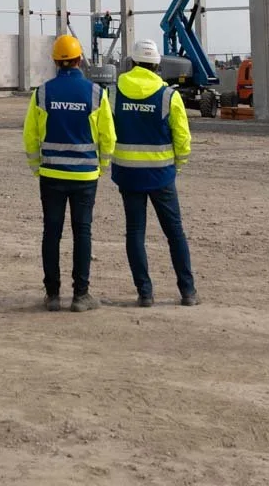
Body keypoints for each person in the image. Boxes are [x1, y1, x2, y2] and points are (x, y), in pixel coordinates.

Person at [23, 35, 116, 311]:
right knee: (82, 232)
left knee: (51, 233)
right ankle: (80, 295)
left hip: (51, 174)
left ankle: (52, 295)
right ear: (79, 60)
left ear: (55, 61)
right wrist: (102, 165)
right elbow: (108, 136)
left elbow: (30, 135)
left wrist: (37, 167)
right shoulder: (95, 93)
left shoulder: (42, 93)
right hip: (85, 176)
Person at [111, 39, 197, 307]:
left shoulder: (114, 94)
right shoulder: (168, 96)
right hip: (161, 175)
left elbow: (105, 130)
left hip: (128, 175)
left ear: (133, 63)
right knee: (174, 233)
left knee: (135, 232)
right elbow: (182, 138)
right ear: (157, 65)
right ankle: (188, 292)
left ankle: (145, 293)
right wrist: (176, 166)